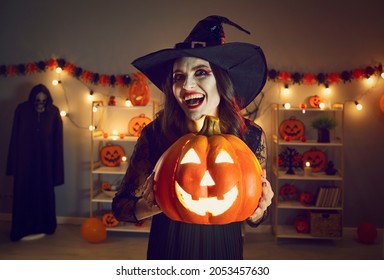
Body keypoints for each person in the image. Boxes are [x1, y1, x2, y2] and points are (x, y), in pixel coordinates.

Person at [112, 15, 273, 260]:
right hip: (169, 248)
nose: (187, 84)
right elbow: (121, 207)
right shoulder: (155, 134)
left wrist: (259, 211)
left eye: (201, 72)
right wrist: (150, 204)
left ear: (222, 81)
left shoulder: (249, 136)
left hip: (224, 250)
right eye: (178, 77)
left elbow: (255, 213)